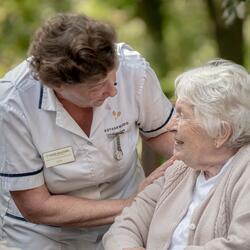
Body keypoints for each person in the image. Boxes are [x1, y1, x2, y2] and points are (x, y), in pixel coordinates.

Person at [0, 13, 175, 250]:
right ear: (57, 86)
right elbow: (36, 206)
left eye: (113, 78)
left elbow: (162, 132)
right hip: (44, 234)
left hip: (127, 219)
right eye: (97, 87)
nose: (113, 92)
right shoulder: (13, 105)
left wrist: (199, 163)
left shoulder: (133, 69)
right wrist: (135, 203)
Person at [103, 59, 250, 250]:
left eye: (182, 115)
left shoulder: (245, 173)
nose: (173, 124)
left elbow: (241, 244)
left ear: (221, 133)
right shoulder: (180, 168)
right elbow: (124, 226)